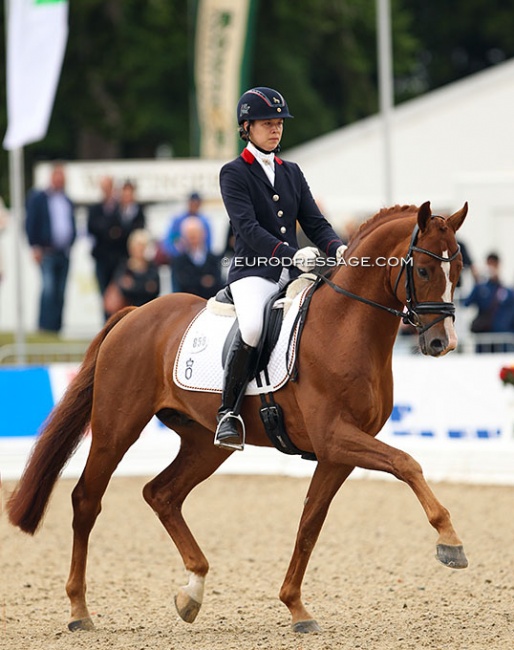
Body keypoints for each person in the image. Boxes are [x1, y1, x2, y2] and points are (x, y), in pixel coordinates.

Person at [214, 86, 347, 451]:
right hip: (253, 271)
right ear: (247, 127)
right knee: (254, 326)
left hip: (294, 271)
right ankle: (228, 412)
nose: (275, 130)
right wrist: (291, 254)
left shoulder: (292, 172)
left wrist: (340, 248)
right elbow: (248, 229)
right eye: (267, 124)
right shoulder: (234, 172)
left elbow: (316, 223)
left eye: (279, 123)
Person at [25, 163, 76, 333]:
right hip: (46, 251)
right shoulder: (39, 198)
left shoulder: (66, 200)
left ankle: (56, 328)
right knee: (48, 290)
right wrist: (34, 246)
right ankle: (44, 327)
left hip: (63, 252)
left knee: (60, 292)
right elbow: (30, 223)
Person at [88, 177, 145, 320]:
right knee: (107, 295)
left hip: (124, 260)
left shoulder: (137, 212)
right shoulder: (114, 210)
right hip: (107, 259)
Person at [159, 192, 213, 290]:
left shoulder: (204, 221)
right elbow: (169, 241)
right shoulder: (178, 220)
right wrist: (177, 252)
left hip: (198, 259)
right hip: (181, 259)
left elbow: (208, 242)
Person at [463, 252, 514, 352]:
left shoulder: (508, 292)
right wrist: (476, 280)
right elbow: (466, 303)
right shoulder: (480, 288)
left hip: (504, 341)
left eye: (494, 264)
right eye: (489, 264)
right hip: (484, 340)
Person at [104, 228, 160, 319]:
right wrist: (144, 285)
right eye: (137, 247)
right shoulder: (124, 267)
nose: (139, 250)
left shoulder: (152, 267)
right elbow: (123, 288)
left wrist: (134, 285)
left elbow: (155, 289)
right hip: (128, 314)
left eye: (142, 247)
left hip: (148, 312)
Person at [172, 216, 223, 299]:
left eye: (195, 235)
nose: (193, 239)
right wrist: (202, 281)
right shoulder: (179, 261)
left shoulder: (214, 259)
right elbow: (180, 285)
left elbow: (218, 282)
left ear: (203, 234)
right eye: (190, 236)